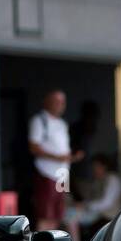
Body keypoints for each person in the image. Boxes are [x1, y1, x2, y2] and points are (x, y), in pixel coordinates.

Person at [28, 90, 82, 231]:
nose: (60, 105)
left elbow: (62, 148)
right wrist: (57, 157)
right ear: (47, 102)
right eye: (56, 101)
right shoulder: (40, 120)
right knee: (45, 214)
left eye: (62, 102)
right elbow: (34, 147)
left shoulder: (62, 123)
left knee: (58, 214)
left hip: (63, 174)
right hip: (47, 173)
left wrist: (72, 156)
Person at [66, 153, 121, 241]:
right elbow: (90, 197)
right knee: (68, 214)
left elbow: (106, 203)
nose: (94, 169)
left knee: (71, 217)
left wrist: (85, 205)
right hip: (97, 212)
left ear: (104, 166)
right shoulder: (98, 180)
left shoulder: (113, 179)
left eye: (96, 166)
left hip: (109, 214)